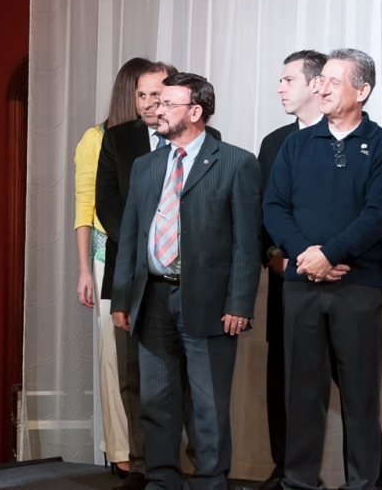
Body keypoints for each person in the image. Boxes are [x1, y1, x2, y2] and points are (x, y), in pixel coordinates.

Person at [111, 72, 261, 490]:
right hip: (152, 299)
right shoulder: (146, 165)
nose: (156, 110)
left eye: (167, 104)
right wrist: (122, 298)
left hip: (209, 301)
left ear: (195, 112)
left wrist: (239, 303)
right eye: (156, 102)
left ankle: (211, 482)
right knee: (156, 401)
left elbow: (246, 242)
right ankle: (161, 481)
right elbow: (131, 236)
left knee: (208, 405)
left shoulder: (237, 162)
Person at [263, 49, 382, 490]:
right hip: (301, 284)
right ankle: (299, 483)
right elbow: (274, 206)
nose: (321, 87)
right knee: (301, 396)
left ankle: (363, 485)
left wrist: (332, 254)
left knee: (360, 396)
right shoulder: (296, 144)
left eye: (333, 81)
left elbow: (378, 215)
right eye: (320, 79)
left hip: (357, 286)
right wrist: (307, 254)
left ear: (362, 91)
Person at [242, 50, 326, 490]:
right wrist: (275, 255)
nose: (279, 88)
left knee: (351, 390)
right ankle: (284, 470)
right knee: (283, 381)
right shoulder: (274, 142)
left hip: (341, 280)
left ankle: (365, 478)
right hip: (285, 282)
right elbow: (262, 209)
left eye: (288, 80)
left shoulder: (351, 137)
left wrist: (325, 258)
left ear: (316, 84)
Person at [74, 56, 151, 479]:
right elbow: (86, 206)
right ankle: (121, 450)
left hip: (153, 263)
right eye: (145, 93)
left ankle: (150, 451)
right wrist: (85, 270)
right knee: (114, 360)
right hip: (110, 260)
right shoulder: (98, 137)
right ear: (130, 93)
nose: (153, 101)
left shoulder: (160, 137)